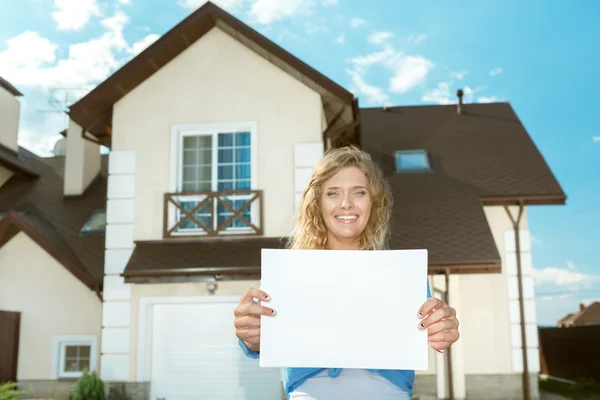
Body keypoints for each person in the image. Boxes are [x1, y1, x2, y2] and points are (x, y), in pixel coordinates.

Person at [234, 146, 460, 399]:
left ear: (374, 201)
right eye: (333, 193)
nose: (346, 204)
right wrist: (251, 336)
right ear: (317, 203)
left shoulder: (402, 274)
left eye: (359, 192)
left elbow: (430, 334)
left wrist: (443, 331)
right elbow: (260, 338)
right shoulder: (287, 272)